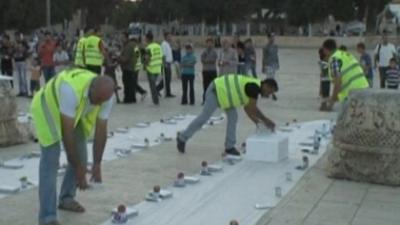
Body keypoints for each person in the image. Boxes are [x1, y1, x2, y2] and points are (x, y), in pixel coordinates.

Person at [31, 68, 115, 225]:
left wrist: (97, 163)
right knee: (51, 161)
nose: (97, 104)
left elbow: (101, 131)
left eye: (101, 102)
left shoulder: (106, 96)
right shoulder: (70, 89)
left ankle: (66, 198)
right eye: (96, 99)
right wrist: (78, 169)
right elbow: (67, 134)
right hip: (47, 109)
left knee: (82, 157)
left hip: (72, 113)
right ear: (92, 88)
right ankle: (47, 217)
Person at [177, 75, 278, 156]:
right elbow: (253, 108)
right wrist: (266, 120)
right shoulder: (254, 87)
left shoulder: (256, 87)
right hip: (216, 91)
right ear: (266, 86)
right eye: (270, 92)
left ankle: (229, 147)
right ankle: (182, 138)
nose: (269, 95)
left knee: (233, 118)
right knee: (204, 117)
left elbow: (248, 108)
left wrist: (258, 123)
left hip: (226, 98)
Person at [322, 39, 369, 110]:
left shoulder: (334, 59)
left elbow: (337, 83)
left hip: (352, 93)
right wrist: (331, 98)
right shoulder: (346, 54)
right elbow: (361, 68)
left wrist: (330, 105)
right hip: (365, 88)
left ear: (325, 49)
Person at [144, 32, 163, 105]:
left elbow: (147, 58)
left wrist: (145, 66)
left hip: (151, 68)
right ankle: (155, 100)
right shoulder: (158, 46)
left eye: (145, 38)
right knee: (154, 85)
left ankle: (155, 100)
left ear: (148, 39)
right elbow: (161, 56)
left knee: (152, 86)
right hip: (157, 68)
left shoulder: (148, 48)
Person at [119, 32, 138, 104]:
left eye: (122, 37)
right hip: (133, 68)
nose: (121, 39)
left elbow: (125, 59)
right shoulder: (132, 45)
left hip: (128, 68)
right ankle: (132, 98)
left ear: (126, 37)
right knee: (131, 84)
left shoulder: (128, 46)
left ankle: (128, 99)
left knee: (127, 85)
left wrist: (117, 56)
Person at [158, 32, 175, 97]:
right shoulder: (164, 44)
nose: (170, 38)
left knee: (168, 79)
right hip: (166, 64)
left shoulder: (168, 44)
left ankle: (168, 93)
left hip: (169, 63)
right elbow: (163, 55)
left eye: (170, 36)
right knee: (166, 79)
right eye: (168, 36)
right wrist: (164, 64)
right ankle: (157, 89)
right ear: (165, 37)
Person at [201, 38, 218, 103]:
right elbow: (202, 61)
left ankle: (214, 100)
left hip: (213, 71)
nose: (209, 44)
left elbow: (213, 61)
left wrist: (206, 60)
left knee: (214, 86)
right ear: (206, 44)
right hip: (205, 71)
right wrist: (207, 60)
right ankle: (205, 99)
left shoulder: (214, 52)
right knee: (205, 85)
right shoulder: (204, 52)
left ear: (213, 44)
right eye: (208, 43)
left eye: (211, 43)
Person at [132, 35, 147, 101]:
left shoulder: (136, 47)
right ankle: (135, 91)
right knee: (134, 80)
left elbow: (137, 57)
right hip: (138, 65)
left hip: (135, 65)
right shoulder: (140, 47)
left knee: (133, 81)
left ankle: (142, 91)